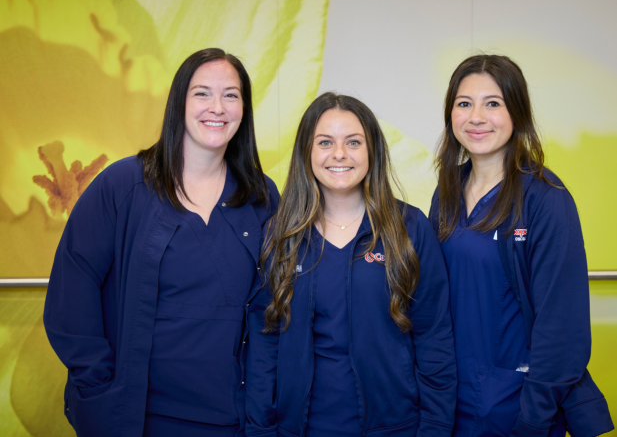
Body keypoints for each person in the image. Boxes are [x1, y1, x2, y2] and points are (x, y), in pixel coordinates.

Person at [44, 48, 280, 437]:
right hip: (138, 417)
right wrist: (99, 380)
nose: (217, 107)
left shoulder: (261, 196)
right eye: (202, 93)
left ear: (244, 108)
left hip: (232, 418)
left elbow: (275, 306)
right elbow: (74, 285)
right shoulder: (123, 185)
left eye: (231, 95)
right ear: (179, 104)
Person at [244, 92, 457, 437]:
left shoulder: (409, 229)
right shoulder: (281, 235)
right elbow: (265, 345)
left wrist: (434, 428)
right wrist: (261, 428)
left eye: (353, 142)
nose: (339, 154)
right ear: (306, 153)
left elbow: (434, 338)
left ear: (372, 151)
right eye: (325, 142)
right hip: (300, 429)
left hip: (395, 428)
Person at [429, 54, 613, 437]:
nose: (476, 117)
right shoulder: (446, 193)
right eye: (464, 104)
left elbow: (562, 330)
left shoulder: (545, 198)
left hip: (519, 408)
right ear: (451, 115)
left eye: (493, 103)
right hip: (450, 403)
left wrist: (532, 420)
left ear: (517, 113)